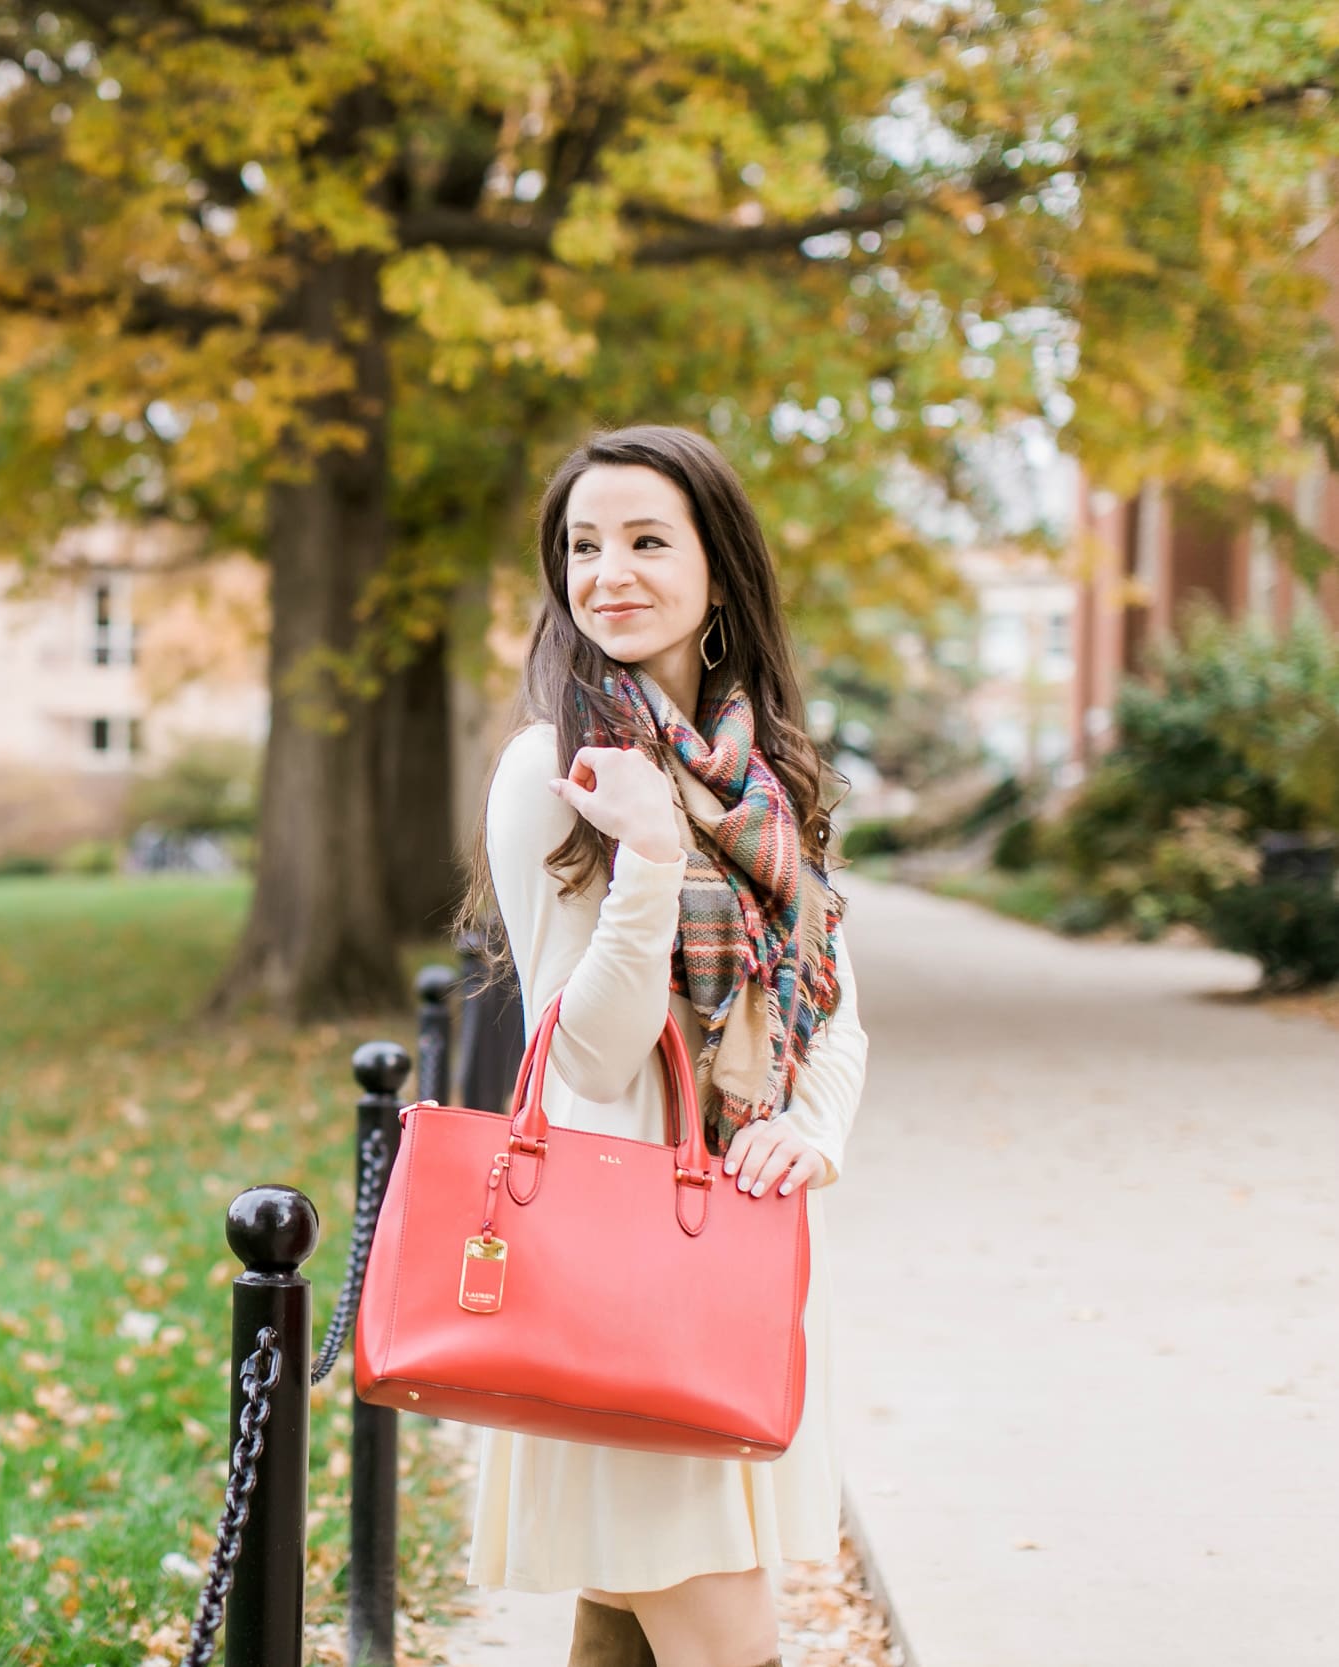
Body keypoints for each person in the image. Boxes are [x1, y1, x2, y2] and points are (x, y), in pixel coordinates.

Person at [456, 425, 871, 1667]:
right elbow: (586, 1054)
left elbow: (833, 999)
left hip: (729, 1250)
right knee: (724, 1638)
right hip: (621, 1266)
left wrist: (815, 1128)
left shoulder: (764, 779)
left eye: (646, 540)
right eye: (583, 546)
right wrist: (645, 853)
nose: (608, 573)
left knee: (629, 1626)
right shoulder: (552, 769)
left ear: (718, 571)